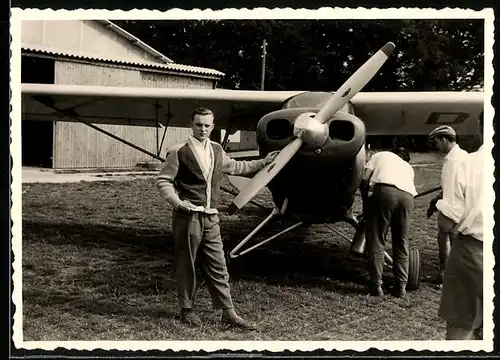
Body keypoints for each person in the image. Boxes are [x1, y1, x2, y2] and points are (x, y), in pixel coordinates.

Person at [156, 107, 279, 329]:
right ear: (191, 125)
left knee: (218, 264)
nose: (202, 129)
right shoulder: (178, 151)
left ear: (213, 127)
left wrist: (264, 162)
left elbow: (237, 167)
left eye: (207, 125)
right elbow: (164, 180)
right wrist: (177, 203)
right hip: (188, 216)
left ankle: (228, 313)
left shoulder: (216, 150)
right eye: (198, 125)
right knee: (187, 264)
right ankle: (187, 309)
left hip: (211, 217)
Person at [439, 114, 484, 340]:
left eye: (437, 142)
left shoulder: (464, 162)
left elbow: (446, 223)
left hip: (474, 252)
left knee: (460, 330)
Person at [360, 147, 417, 298]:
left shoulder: (379, 155)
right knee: (401, 242)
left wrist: (366, 201)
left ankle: (376, 285)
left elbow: (365, 178)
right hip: (408, 197)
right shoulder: (408, 167)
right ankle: (401, 287)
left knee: (377, 239)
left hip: (385, 192)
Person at [426, 125, 469, 286]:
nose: (436, 147)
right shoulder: (463, 156)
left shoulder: (453, 161)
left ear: (444, 140)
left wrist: (440, 204)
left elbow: (453, 188)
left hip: (453, 207)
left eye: (436, 142)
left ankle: (446, 276)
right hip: (462, 205)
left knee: (445, 238)